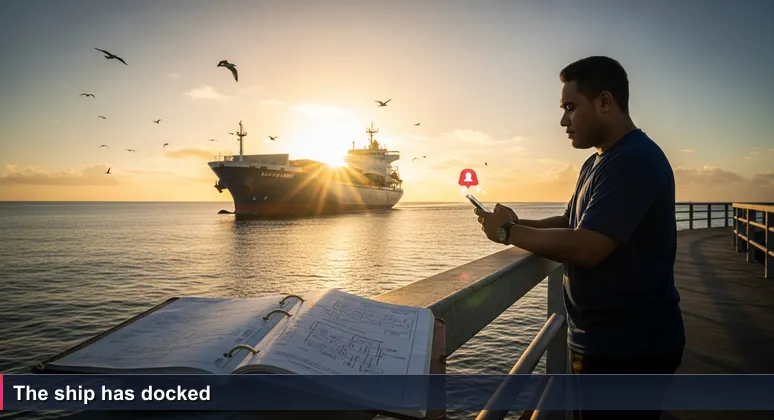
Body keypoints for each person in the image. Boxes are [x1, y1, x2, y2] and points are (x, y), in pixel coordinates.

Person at [475, 56, 685, 420]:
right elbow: (571, 221)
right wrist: (515, 221)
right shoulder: (599, 161)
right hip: (603, 342)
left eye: (570, 108)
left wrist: (509, 233)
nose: (562, 120)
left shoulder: (632, 162)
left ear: (604, 101)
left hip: (629, 349)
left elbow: (588, 247)